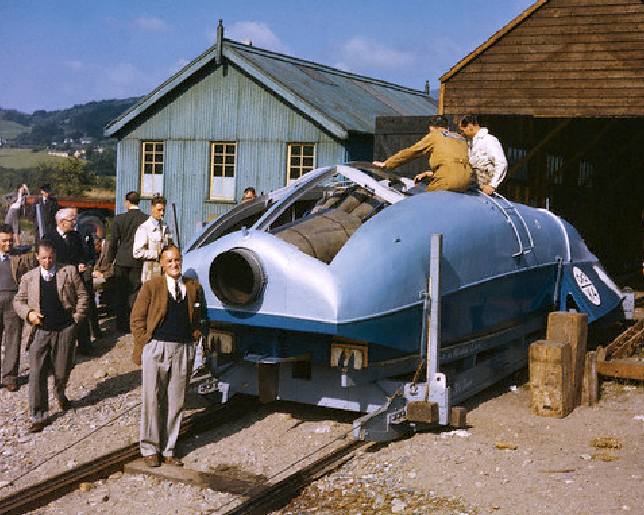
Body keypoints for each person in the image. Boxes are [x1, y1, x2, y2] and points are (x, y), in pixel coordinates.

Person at [130, 245, 205, 467]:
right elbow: (137, 319)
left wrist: (196, 338)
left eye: (177, 260)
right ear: (162, 264)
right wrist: (146, 344)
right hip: (157, 348)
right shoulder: (152, 287)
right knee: (152, 399)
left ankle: (169, 448)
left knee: (176, 401)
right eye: (169, 261)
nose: (174, 264)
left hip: (183, 349)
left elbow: (199, 316)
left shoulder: (192, 287)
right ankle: (149, 448)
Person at [13, 240, 88, 433]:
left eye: (51, 257)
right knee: (37, 373)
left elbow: (83, 296)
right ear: (37, 257)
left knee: (62, 369)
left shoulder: (68, 271)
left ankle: (59, 392)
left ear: (55, 255)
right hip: (40, 331)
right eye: (44, 258)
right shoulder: (29, 278)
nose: (48, 261)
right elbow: (18, 301)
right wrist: (29, 314)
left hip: (65, 328)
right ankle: (39, 415)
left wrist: (76, 320)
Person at [42, 208, 95, 355]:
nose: (74, 222)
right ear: (61, 222)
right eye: (71, 220)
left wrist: (82, 262)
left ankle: (85, 345)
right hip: (59, 280)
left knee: (81, 310)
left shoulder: (75, 236)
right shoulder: (49, 238)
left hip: (75, 279)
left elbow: (82, 255)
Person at [373, 115, 471, 193]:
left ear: (432, 128)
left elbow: (411, 152)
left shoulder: (435, 135)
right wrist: (430, 173)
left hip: (447, 181)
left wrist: (387, 164)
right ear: (447, 127)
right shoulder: (461, 139)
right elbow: (455, 163)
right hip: (465, 183)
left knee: (420, 199)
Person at [0, 224, 35, 392]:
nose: (8, 244)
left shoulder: (20, 257)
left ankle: (10, 377)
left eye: (11, 240)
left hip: (13, 301)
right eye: (4, 241)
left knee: (13, 340)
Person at [106, 191, 147, 332]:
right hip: (138, 260)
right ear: (139, 202)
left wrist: (108, 261)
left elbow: (113, 243)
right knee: (135, 292)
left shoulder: (119, 219)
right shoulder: (145, 219)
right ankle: (134, 321)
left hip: (122, 259)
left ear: (127, 202)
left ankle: (121, 325)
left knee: (121, 292)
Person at [459, 115, 508, 196]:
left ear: (470, 126)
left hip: (488, 188)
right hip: (475, 185)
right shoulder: (471, 142)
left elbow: (501, 163)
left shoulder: (489, 140)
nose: (462, 133)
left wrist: (492, 185)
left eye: (463, 130)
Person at [133, 195, 172, 283]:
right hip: (150, 274)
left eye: (163, 210)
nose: (162, 213)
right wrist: (157, 254)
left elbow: (169, 245)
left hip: (165, 273)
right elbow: (136, 252)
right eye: (159, 210)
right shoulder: (144, 228)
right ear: (152, 209)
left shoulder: (165, 227)